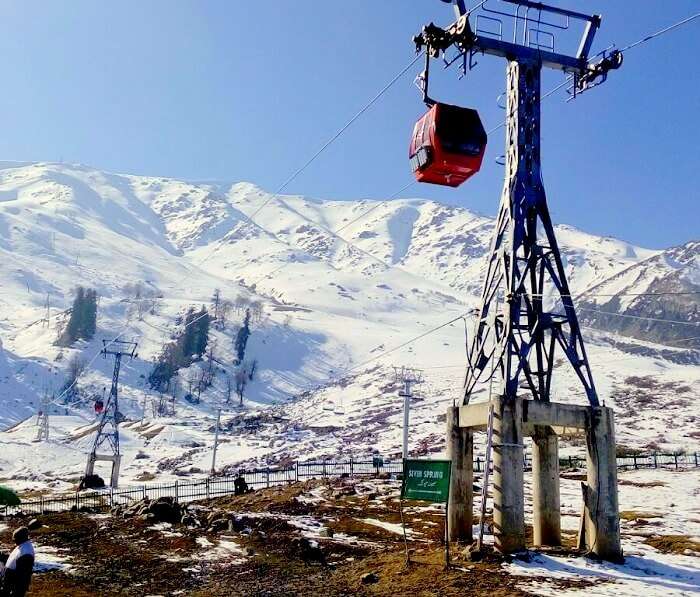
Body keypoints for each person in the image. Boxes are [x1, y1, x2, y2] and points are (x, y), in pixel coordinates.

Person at [0, 527, 35, 597]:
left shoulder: (26, 552)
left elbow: (23, 577)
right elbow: (15, 560)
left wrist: (15, 593)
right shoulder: (22, 546)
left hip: (13, 587)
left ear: (21, 538)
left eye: (15, 539)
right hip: (9, 583)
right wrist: (3, 557)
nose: (14, 540)